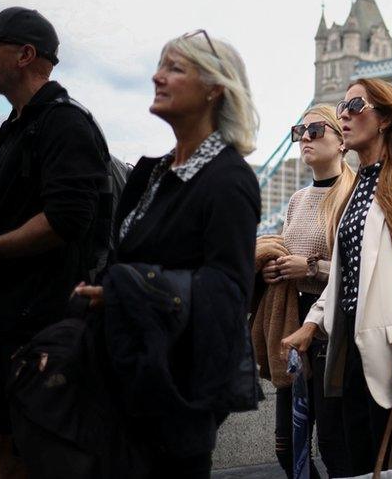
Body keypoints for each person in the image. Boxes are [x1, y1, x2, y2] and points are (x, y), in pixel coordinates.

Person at [74, 30, 262, 476]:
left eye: (174, 68)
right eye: (160, 65)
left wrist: (128, 288)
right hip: (125, 386)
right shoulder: (156, 173)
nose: (157, 76)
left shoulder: (229, 180)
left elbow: (229, 293)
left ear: (215, 88)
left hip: (174, 399)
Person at [281, 78, 392, 475]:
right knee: (359, 463)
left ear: (386, 119)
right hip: (350, 347)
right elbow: (345, 271)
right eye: (341, 107)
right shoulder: (359, 188)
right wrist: (312, 323)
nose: (343, 115)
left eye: (355, 106)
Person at [0, 7, 107, 478]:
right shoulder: (14, 128)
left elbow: (67, 219)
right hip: (3, 322)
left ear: (24, 54)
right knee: (4, 444)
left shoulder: (64, 124)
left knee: (42, 454)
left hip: (41, 327)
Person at [258, 104, 354, 478]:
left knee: (333, 443)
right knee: (287, 444)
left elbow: (365, 271)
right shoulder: (297, 199)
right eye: (301, 131)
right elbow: (285, 247)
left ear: (341, 141)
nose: (305, 139)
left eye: (316, 131)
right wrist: (272, 267)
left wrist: (312, 267)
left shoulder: (352, 196)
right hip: (291, 322)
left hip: (331, 329)